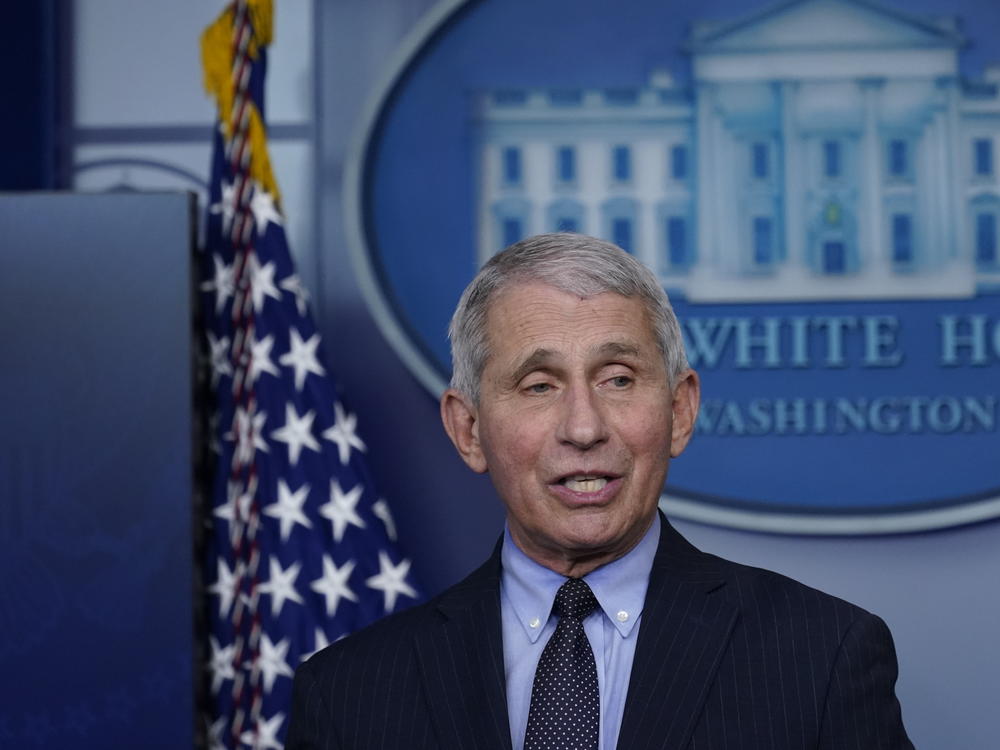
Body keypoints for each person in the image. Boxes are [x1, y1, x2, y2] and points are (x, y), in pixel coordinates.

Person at [286, 233, 913, 749]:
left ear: (680, 411)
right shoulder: (348, 694)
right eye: (539, 385)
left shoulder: (821, 657)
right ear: (468, 429)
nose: (584, 428)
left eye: (617, 379)